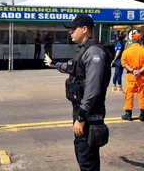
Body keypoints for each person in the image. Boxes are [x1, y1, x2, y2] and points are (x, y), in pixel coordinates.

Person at [44, 14, 111, 171]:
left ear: (85, 29)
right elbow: (72, 67)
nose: (70, 32)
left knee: (87, 154)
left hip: (89, 111)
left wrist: (81, 116)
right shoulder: (84, 50)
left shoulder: (94, 52)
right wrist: (53, 64)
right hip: (83, 109)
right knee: (83, 152)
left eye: (73, 29)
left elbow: (93, 89)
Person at [120, 33, 144, 122]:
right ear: (140, 40)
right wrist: (139, 71)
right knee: (142, 94)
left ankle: (128, 114)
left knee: (129, 94)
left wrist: (133, 71)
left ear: (133, 41)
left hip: (131, 75)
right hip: (141, 76)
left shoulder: (127, 51)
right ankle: (142, 115)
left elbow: (124, 63)